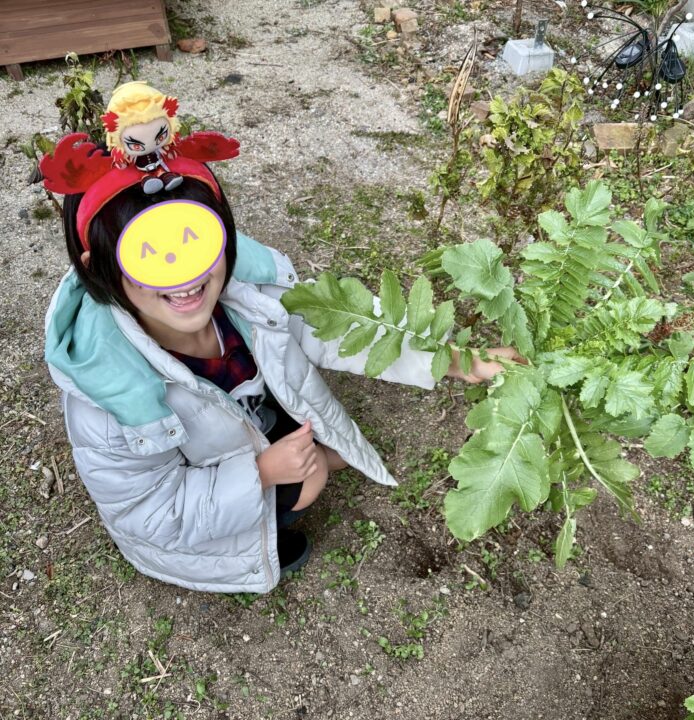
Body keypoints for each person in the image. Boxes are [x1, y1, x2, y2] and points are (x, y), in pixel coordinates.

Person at [42, 84, 521, 594]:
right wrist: (262, 473)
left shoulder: (249, 290)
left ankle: (299, 465)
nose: (185, 278)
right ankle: (267, 534)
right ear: (98, 267)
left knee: (319, 450)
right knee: (307, 480)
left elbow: (341, 327)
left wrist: (454, 359)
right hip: (194, 526)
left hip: (239, 429)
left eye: (194, 242)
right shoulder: (108, 396)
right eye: (149, 258)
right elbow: (154, 513)